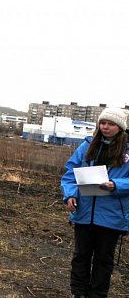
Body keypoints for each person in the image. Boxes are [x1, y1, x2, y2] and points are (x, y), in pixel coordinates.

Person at [60, 107, 129, 298]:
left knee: (103, 260)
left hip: (111, 216)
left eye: (111, 124)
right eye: (103, 123)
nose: (105, 127)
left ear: (120, 127)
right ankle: (78, 293)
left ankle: (97, 294)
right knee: (81, 256)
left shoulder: (127, 151)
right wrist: (70, 195)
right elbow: (70, 173)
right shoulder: (87, 146)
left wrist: (116, 185)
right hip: (83, 212)